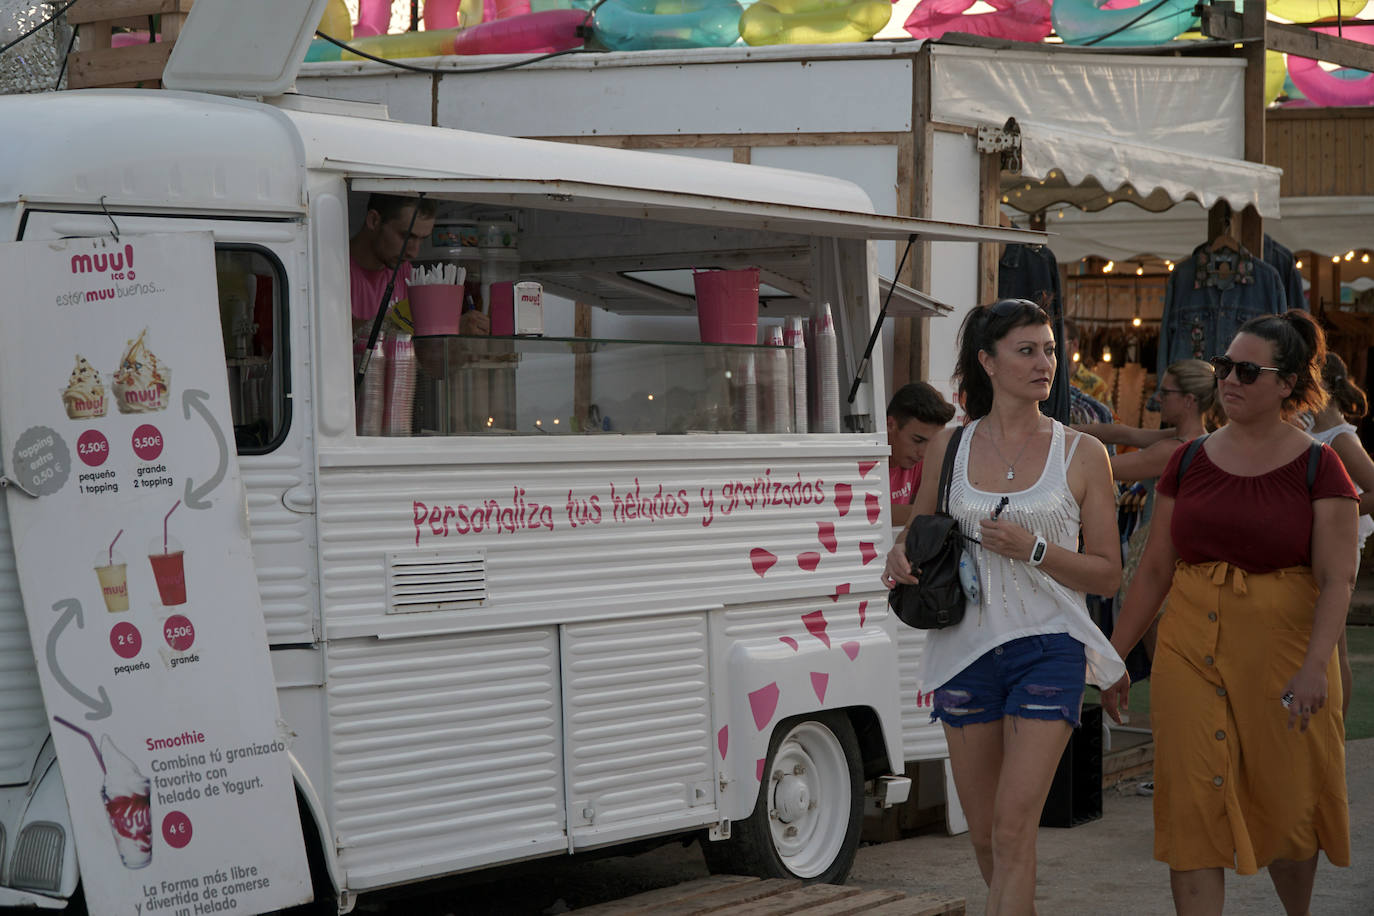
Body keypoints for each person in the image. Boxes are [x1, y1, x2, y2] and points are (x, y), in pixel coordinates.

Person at [1102, 310, 1355, 916]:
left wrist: (1318, 665)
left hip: (1285, 649)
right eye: (1225, 367)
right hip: (1188, 644)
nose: (1229, 380)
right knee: (1189, 809)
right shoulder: (1188, 461)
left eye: (1247, 370)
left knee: (1291, 804)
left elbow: (1338, 577)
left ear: (1288, 384)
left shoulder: (1322, 466)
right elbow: (1156, 570)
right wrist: (1111, 655)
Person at [882, 299, 1124, 916]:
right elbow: (922, 529)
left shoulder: (1082, 453)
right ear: (988, 362)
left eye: (1049, 349)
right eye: (1027, 350)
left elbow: (1108, 573)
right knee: (988, 834)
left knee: (1015, 831)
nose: (1045, 362)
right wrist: (898, 552)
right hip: (963, 649)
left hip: (1049, 647)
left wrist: (1036, 548)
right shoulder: (951, 445)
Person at [1310, 351, 1374, 718]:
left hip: (1338, 542)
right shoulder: (1310, 429)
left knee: (1336, 643)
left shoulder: (1340, 439)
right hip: (1319, 540)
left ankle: (1337, 724)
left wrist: (1332, 510)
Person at [350, 194, 489, 336]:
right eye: (407, 236)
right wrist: (446, 327)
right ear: (374, 220)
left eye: (422, 239)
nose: (414, 253)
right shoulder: (333, 268)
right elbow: (342, 332)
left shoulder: (405, 272)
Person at [886, 382, 956, 526]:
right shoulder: (865, 463)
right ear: (890, 425)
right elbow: (870, 513)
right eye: (917, 440)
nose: (923, 453)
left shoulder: (920, 461)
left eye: (931, 443)